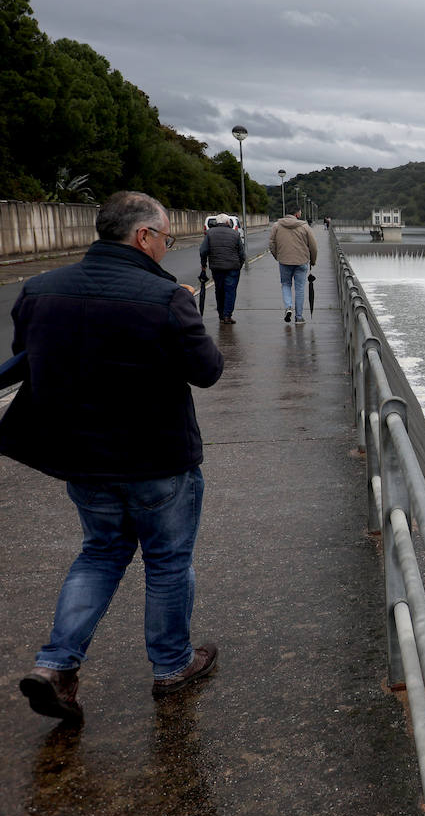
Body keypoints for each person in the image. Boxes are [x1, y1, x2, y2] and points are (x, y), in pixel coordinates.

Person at [1, 191, 224, 723]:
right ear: (143, 236)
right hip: (158, 459)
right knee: (167, 562)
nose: (167, 247)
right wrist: (185, 308)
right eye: (165, 237)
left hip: (82, 456)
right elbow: (207, 370)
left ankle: (56, 665)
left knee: (100, 554)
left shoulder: (40, 289)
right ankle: (172, 665)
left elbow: (31, 356)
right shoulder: (165, 297)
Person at [269, 209, 317, 324]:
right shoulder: (304, 226)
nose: (301, 214)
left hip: (284, 261)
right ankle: (299, 317)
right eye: (300, 212)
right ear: (296, 214)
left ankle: (288, 306)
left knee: (286, 284)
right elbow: (313, 246)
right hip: (302, 261)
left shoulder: (277, 226)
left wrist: (278, 256)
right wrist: (313, 261)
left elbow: (271, 243)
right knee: (299, 288)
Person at [199, 215, 247, 323]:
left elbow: (203, 251)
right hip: (233, 268)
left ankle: (221, 315)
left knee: (219, 290)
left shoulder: (209, 233)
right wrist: (239, 265)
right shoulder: (235, 234)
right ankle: (227, 316)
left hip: (217, 268)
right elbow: (242, 254)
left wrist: (204, 265)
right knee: (230, 291)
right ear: (227, 223)